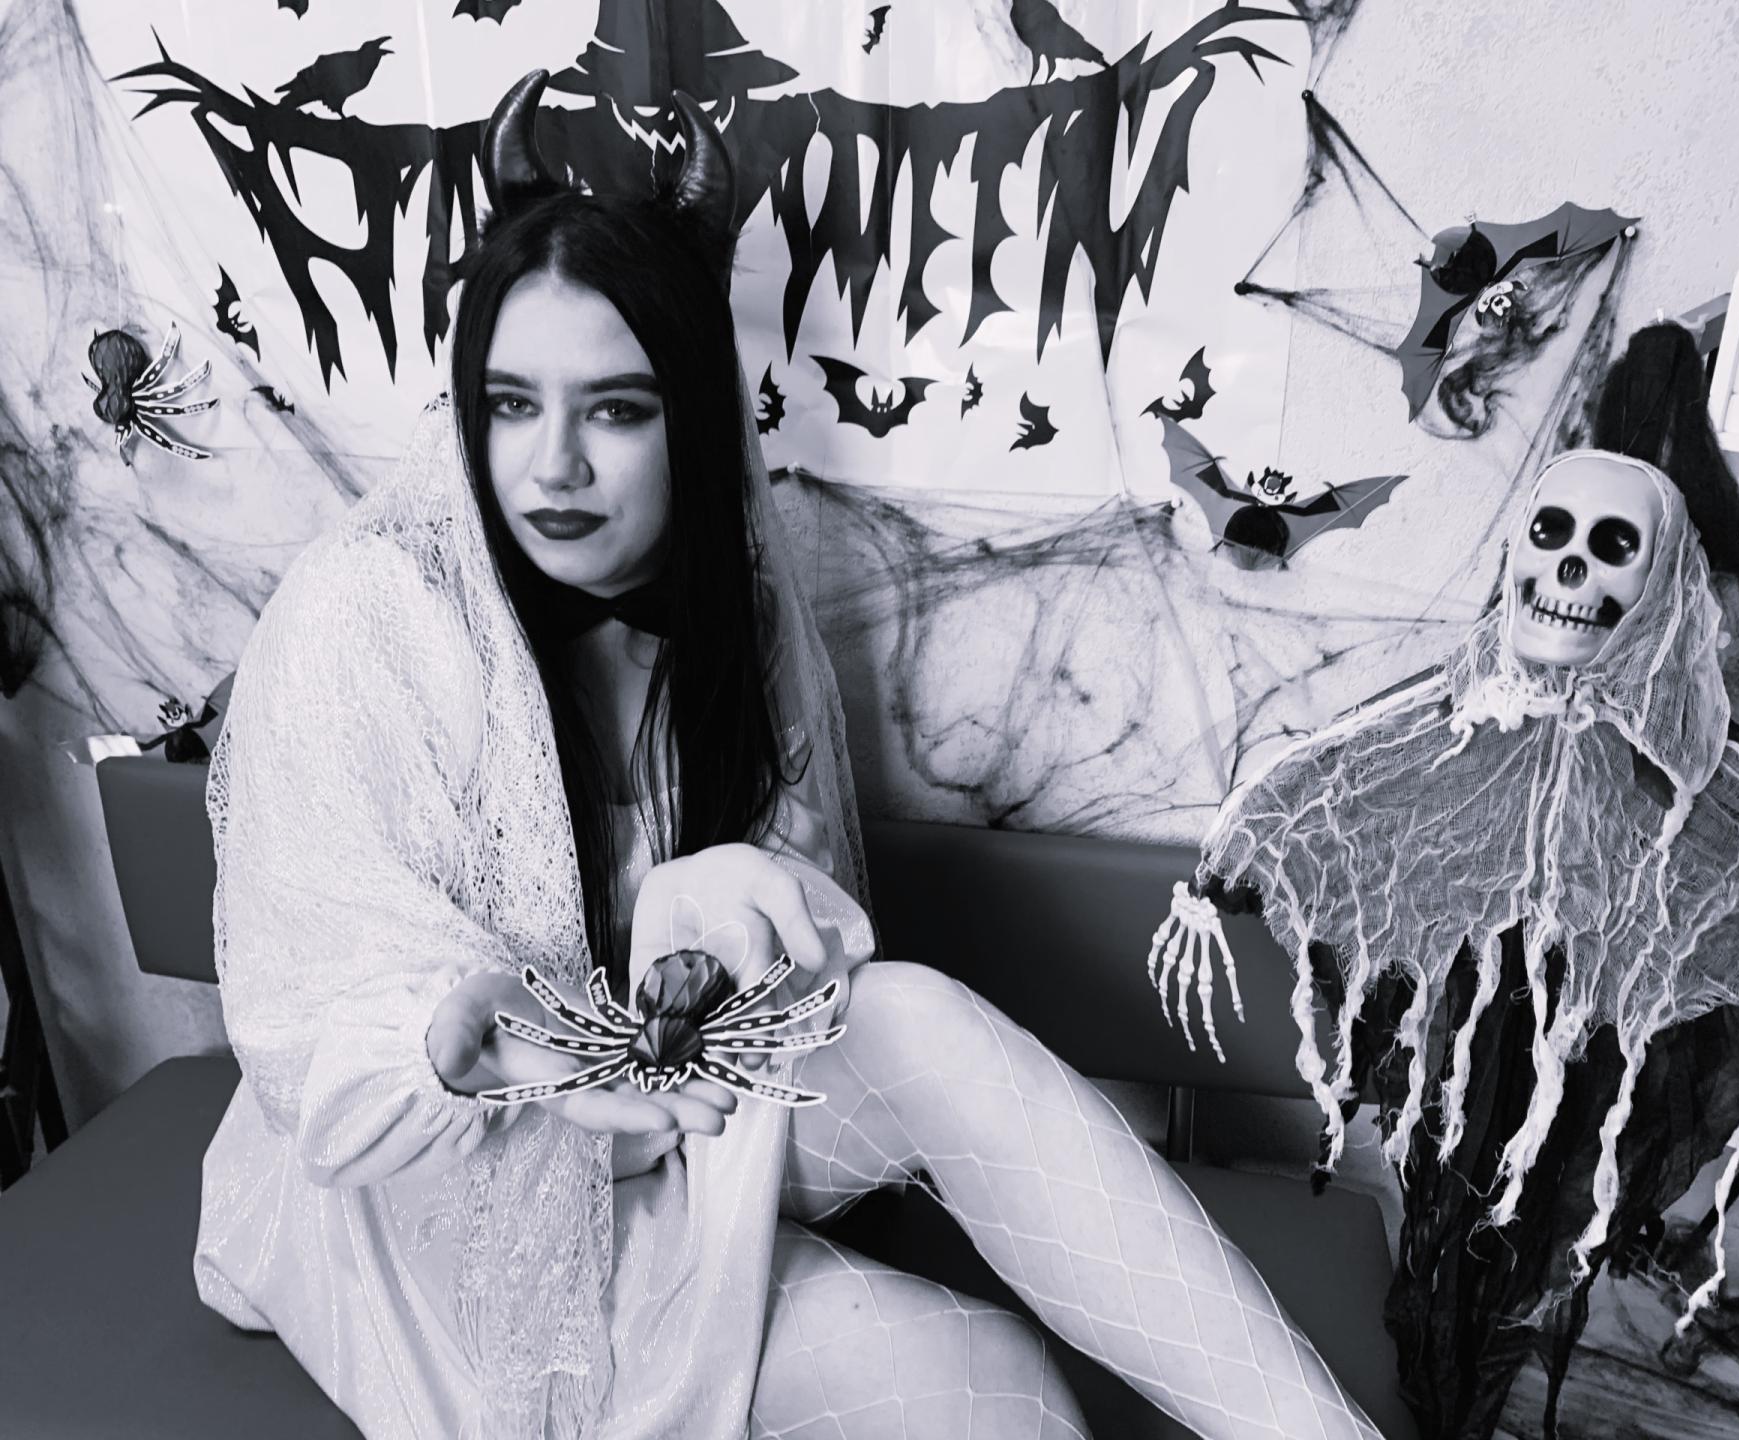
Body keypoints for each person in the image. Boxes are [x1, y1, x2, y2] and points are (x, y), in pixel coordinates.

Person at [193, 71, 1383, 1440]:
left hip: (675, 1117)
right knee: (988, 1394)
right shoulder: (368, 613)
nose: (553, 466)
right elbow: (316, 1024)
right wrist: (479, 1036)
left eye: (616, 410)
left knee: (924, 1033)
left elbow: (807, 958)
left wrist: (713, 916)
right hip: (450, 1212)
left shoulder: (739, 619)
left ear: (696, 418)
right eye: (511, 404)